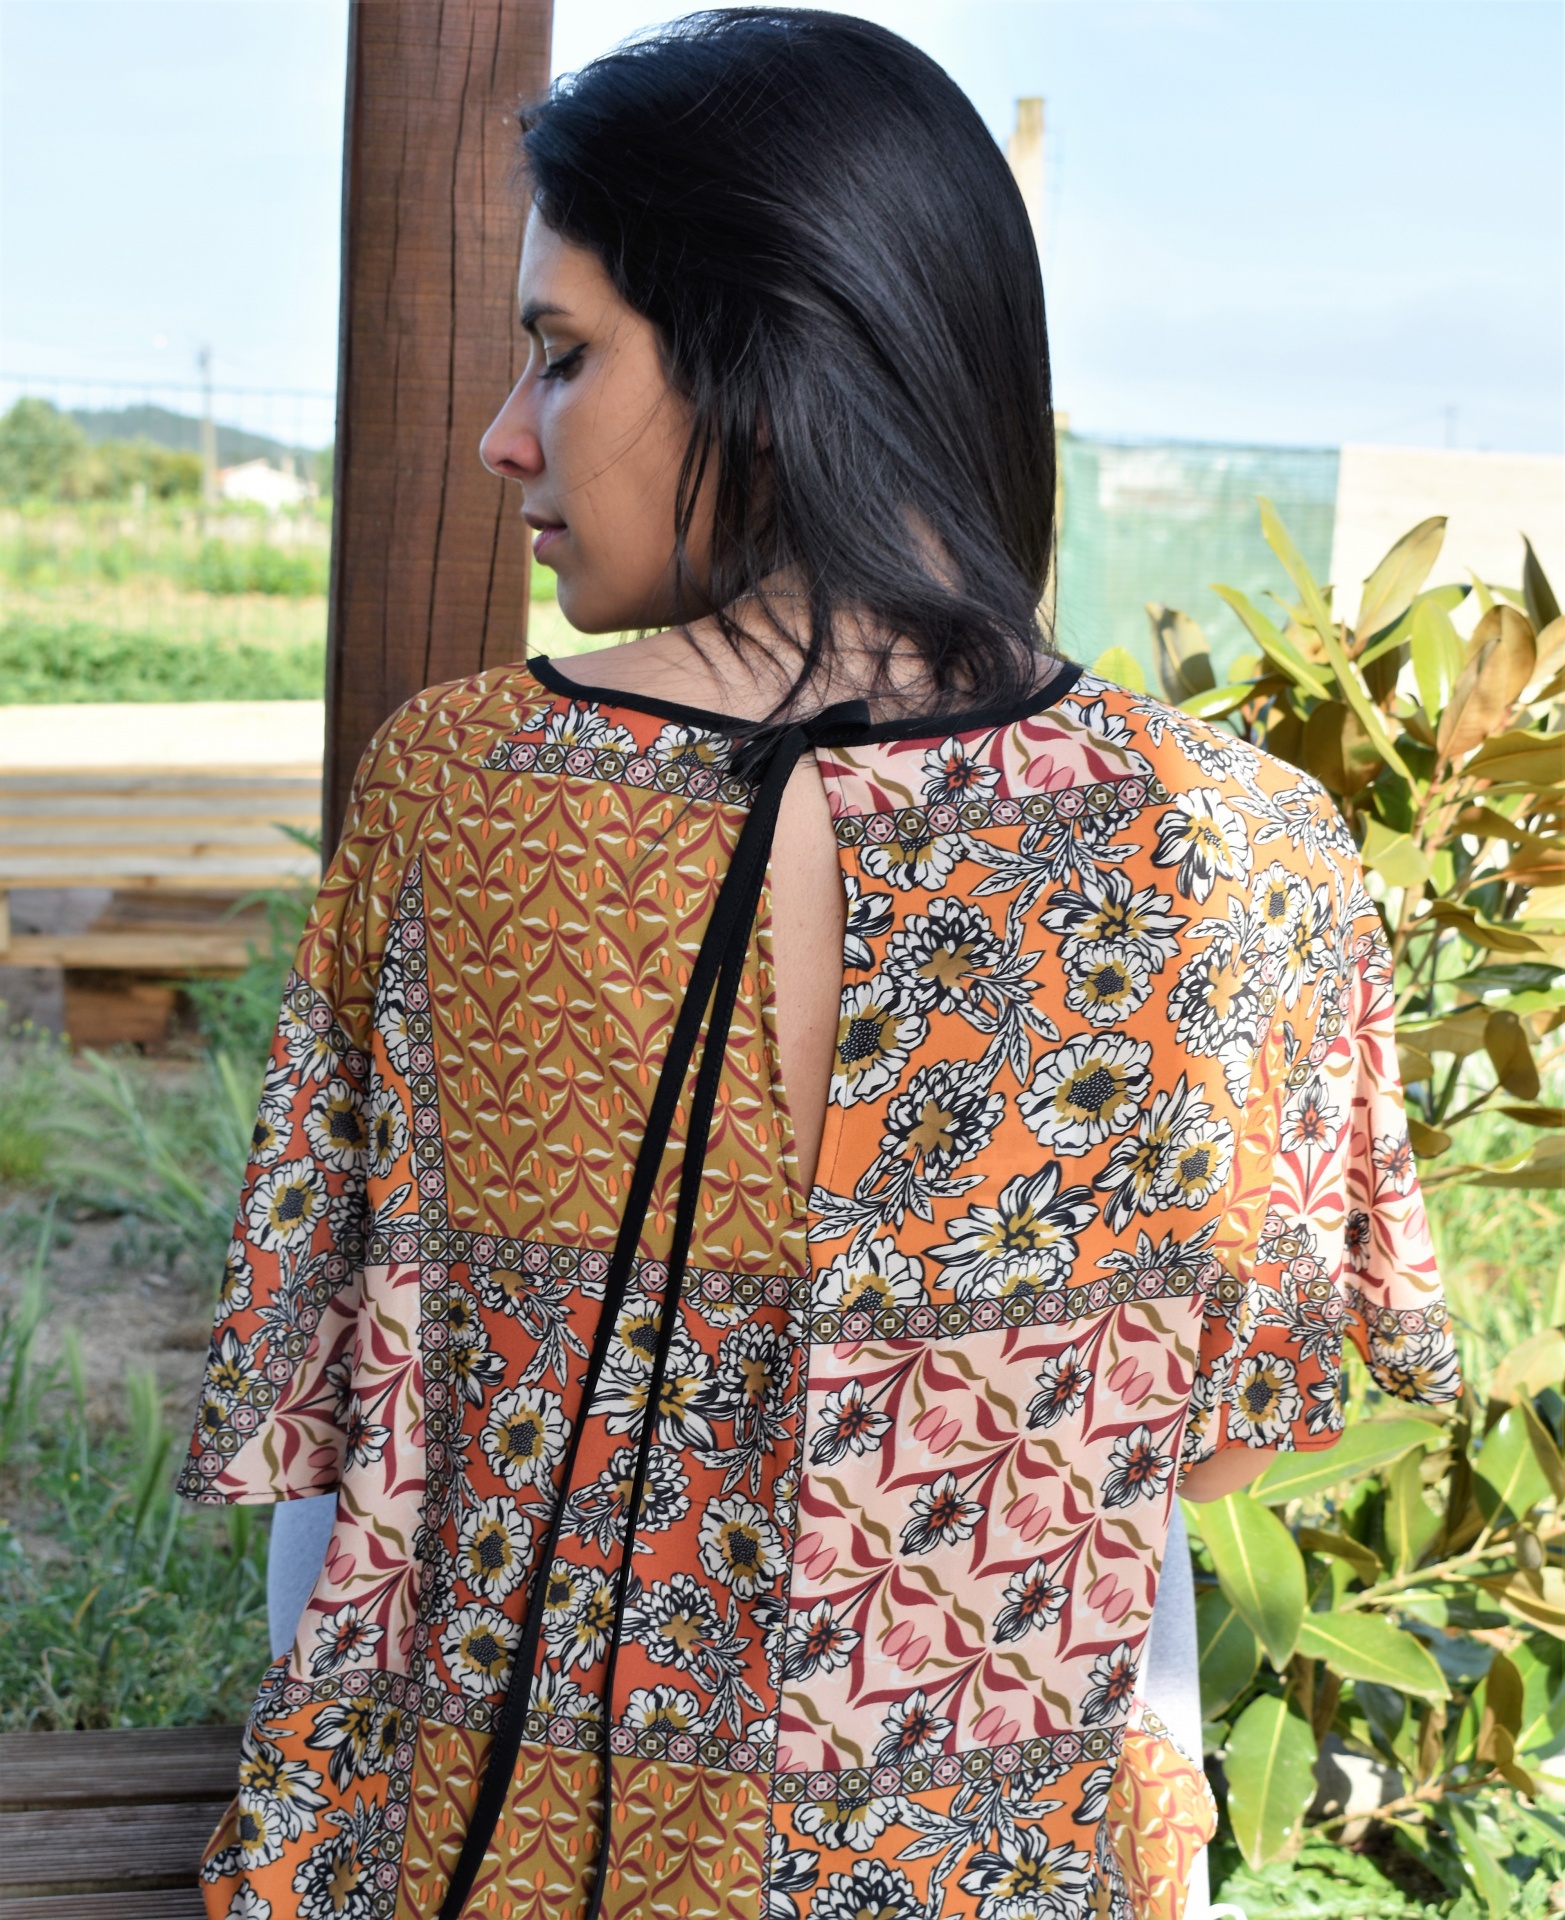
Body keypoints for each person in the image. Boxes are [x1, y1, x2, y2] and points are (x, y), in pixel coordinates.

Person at [180, 13, 1458, 1920]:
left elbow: (329, 1433)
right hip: (1006, 1867)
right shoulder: (1251, 845)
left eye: (563, 352)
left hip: (498, 1852)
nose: (507, 434)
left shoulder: (466, 791)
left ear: (768, 357)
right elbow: (1209, 1478)